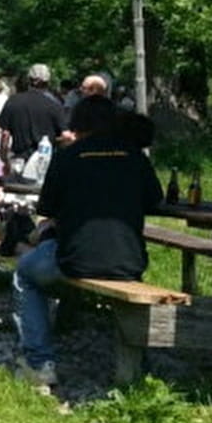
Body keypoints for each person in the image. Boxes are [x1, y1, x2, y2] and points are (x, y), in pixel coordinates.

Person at [11, 95, 162, 392]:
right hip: (128, 259)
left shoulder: (68, 156)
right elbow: (155, 201)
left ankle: (39, 363)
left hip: (73, 258)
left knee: (24, 274)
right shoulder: (134, 156)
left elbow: (46, 208)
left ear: (78, 123)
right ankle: (139, 362)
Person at [0, 64, 66, 178]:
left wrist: (3, 159)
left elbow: (5, 134)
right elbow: (65, 135)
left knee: (15, 191)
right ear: (48, 81)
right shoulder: (54, 104)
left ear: (29, 80)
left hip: (19, 159)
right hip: (45, 160)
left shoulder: (14, 101)